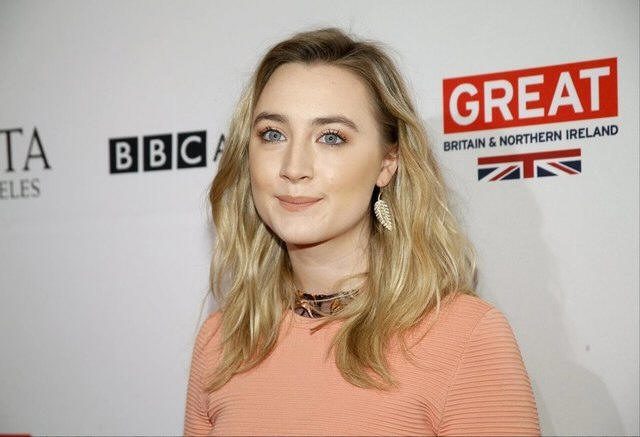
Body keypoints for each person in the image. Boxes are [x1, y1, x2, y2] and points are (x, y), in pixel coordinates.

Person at [184, 27, 540, 436]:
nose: (294, 167)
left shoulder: (464, 335)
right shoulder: (222, 341)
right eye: (273, 134)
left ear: (387, 163)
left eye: (331, 137)